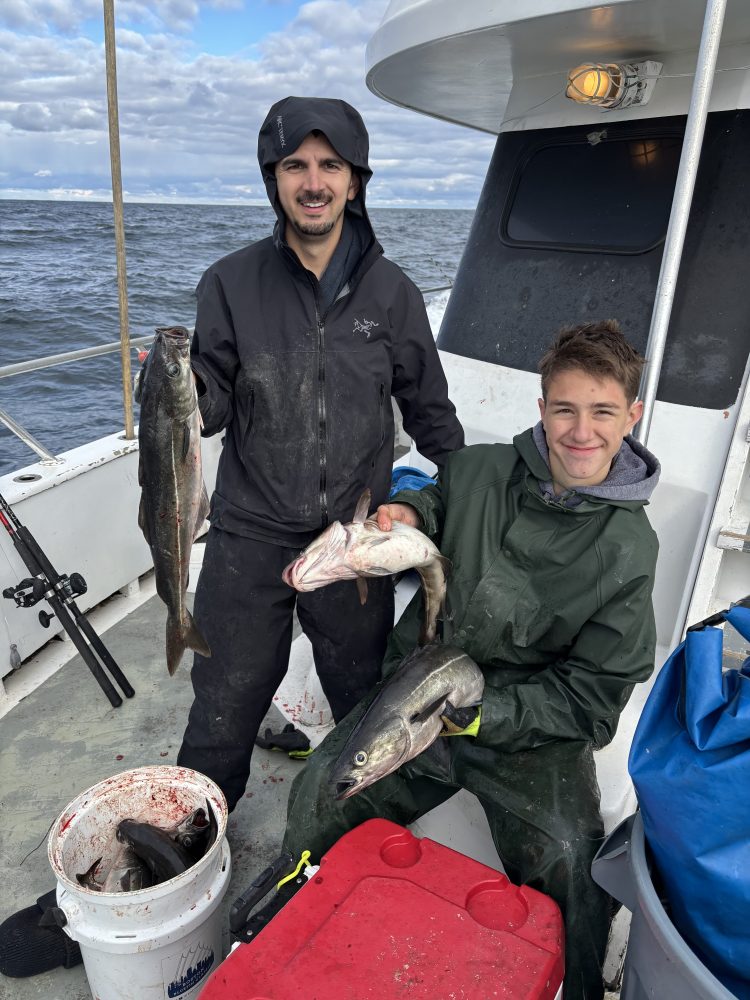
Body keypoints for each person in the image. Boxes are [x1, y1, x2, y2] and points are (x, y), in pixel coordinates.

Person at [278, 321, 660, 1000]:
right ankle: (287, 925)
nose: (581, 431)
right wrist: (407, 513)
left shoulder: (629, 550)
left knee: (574, 860)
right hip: (416, 685)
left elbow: (593, 701)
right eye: (565, 408)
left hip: (525, 728)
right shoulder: (479, 467)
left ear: (631, 416)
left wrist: (487, 712)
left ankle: (575, 986)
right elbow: (435, 499)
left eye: (603, 412)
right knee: (319, 795)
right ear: (541, 408)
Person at [176, 96, 464, 812]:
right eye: (295, 165)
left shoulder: (393, 294)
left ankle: (369, 825)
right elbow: (208, 406)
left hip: (353, 538)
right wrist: (178, 389)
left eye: (330, 165)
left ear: (355, 181)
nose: (313, 181)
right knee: (224, 702)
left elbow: (431, 410)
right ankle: (185, 844)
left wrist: (471, 495)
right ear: (273, 180)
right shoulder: (229, 283)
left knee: (366, 696)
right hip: (248, 532)